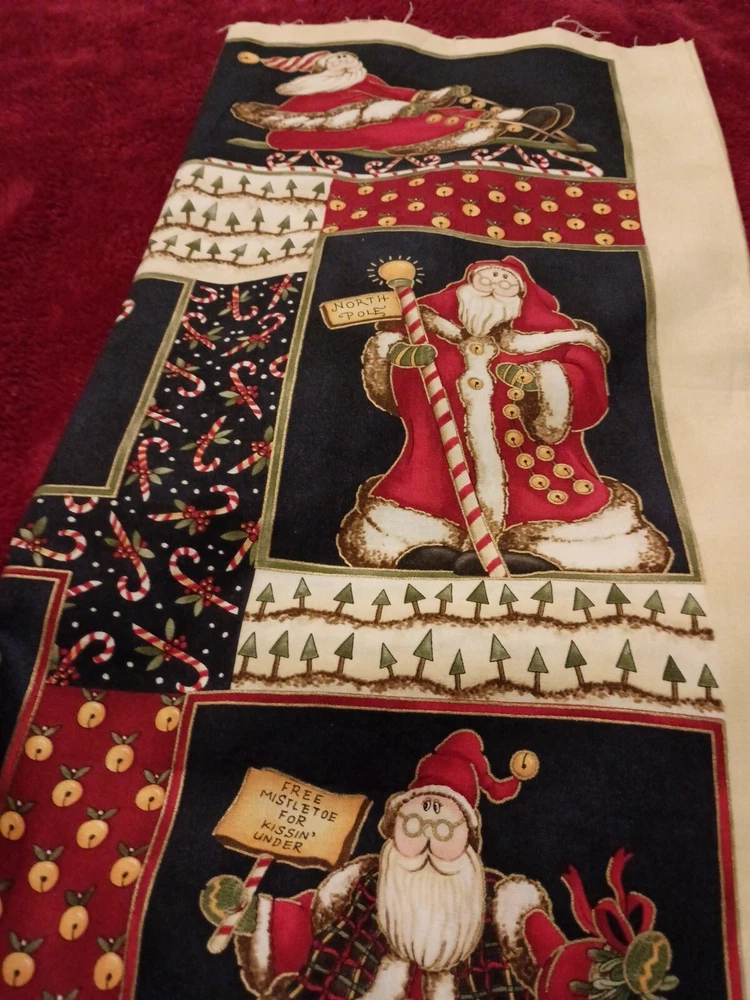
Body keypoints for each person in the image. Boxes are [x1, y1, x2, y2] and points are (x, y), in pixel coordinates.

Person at [337, 258, 672, 575]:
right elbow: (394, 380)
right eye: (485, 279)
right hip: (438, 459)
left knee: (553, 508)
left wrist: (542, 380)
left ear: (523, 298)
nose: (495, 284)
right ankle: (424, 543)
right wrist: (399, 356)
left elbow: (584, 386)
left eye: (506, 282)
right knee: (424, 496)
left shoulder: (554, 342)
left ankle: (546, 550)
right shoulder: (430, 334)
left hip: (533, 462)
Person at [231, 50, 575, 155]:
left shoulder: (365, 79)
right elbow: (302, 129)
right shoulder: (301, 101)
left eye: (346, 57)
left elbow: (399, 94)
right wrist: (392, 111)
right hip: (364, 132)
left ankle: (518, 119)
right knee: (421, 126)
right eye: (336, 60)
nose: (346, 62)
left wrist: (437, 96)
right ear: (318, 71)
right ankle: (508, 128)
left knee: (446, 112)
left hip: (396, 115)